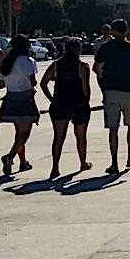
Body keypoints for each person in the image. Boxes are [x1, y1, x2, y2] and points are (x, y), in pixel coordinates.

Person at [93, 19, 130, 174]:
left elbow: (96, 67)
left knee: (113, 128)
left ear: (114, 31)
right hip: (129, 90)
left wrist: (105, 79)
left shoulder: (106, 47)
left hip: (111, 91)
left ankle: (114, 163)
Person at [40, 39, 92, 178]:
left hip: (60, 105)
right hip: (78, 105)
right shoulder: (82, 67)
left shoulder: (56, 65)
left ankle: (55, 167)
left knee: (58, 137)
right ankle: (83, 162)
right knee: (81, 137)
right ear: (79, 51)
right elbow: (86, 90)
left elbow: (43, 83)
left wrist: (51, 99)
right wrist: (86, 103)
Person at [0, 35, 40, 176]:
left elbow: (1, 82)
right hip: (25, 98)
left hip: (11, 98)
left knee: (18, 133)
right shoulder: (28, 61)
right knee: (24, 134)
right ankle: (10, 157)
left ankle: (23, 162)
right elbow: (32, 82)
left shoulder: (8, 61)